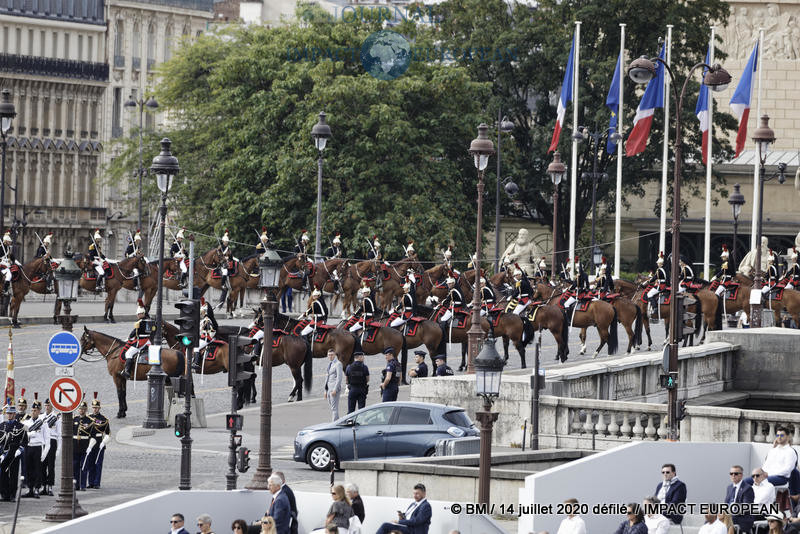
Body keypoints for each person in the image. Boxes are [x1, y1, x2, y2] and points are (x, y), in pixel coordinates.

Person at [745, 426, 800, 501]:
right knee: (745, 482)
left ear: (787, 437)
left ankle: (759, 504)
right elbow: (765, 465)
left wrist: (768, 474)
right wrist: (762, 473)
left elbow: (788, 469)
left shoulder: (790, 451)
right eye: (777, 435)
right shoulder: (772, 450)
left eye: (782, 435)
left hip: (781, 477)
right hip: (766, 476)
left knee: (762, 482)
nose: (779, 437)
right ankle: (746, 505)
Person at [0, 401, 28, 502]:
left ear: (14, 414)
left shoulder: (20, 426)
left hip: (14, 452)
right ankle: (4, 494)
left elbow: (25, 440)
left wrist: (20, 449)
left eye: (11, 413)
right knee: (3, 473)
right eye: (7, 413)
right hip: (4, 452)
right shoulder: (2, 425)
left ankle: (12, 494)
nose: (9, 415)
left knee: (13, 474)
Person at [122, 299, 155, 379]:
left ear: (142, 314)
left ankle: (127, 371)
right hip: (148, 341)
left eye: (139, 314)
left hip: (142, 341)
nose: (137, 315)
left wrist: (129, 338)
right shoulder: (150, 320)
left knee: (128, 354)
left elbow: (134, 333)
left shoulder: (140, 322)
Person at [85, 393, 111, 489]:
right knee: (89, 463)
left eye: (96, 407)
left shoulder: (104, 419)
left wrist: (104, 442)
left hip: (99, 442)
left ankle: (97, 483)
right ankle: (90, 482)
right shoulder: (88, 418)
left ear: (99, 408)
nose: (95, 409)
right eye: (93, 407)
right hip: (90, 443)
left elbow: (108, 433)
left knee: (98, 464)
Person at [724, 465, 755, 533]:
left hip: (743, 518)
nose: (733, 475)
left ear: (741, 475)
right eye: (731, 474)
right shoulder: (729, 487)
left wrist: (730, 513)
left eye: (736, 473)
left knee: (728, 519)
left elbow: (746, 507)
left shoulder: (747, 488)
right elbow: (726, 504)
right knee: (711, 517)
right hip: (730, 516)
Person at [41, 398, 61, 496]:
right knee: (42, 465)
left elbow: (60, 434)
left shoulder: (56, 417)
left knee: (51, 465)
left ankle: (50, 486)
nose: (47, 407)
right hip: (44, 441)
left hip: (52, 441)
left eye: (49, 405)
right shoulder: (41, 417)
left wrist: (58, 449)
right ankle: (43, 485)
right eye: (46, 405)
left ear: (52, 406)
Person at [195, 298, 219, 370]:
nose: (201, 314)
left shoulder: (207, 320)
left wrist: (204, 331)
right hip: (204, 337)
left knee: (196, 347)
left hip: (207, 338)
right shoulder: (205, 320)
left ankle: (195, 363)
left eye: (202, 312)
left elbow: (211, 331)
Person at [73, 399, 92, 490]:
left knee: (84, 466)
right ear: (78, 409)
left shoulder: (90, 421)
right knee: (75, 466)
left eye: (84, 409)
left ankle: (83, 485)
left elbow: (92, 435)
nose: (82, 410)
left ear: (86, 410)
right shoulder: (74, 419)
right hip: (75, 446)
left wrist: (90, 446)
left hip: (85, 445)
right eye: (80, 409)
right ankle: (76, 484)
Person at [324, 349, 343, 421]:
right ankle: (337, 421)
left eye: (332, 355)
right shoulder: (330, 364)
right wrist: (325, 390)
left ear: (335, 355)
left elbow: (339, 378)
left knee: (334, 408)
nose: (330, 356)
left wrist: (335, 389)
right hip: (329, 388)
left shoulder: (338, 364)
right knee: (332, 408)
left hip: (334, 389)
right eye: (329, 355)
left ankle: (334, 423)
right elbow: (327, 377)